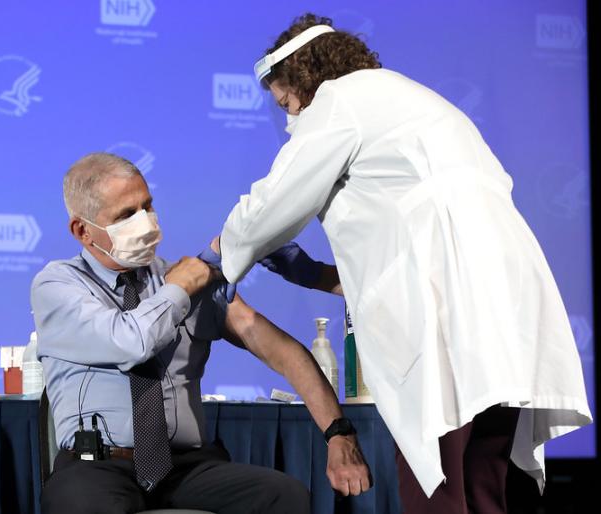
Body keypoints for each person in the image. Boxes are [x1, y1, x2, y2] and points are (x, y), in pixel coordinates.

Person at [211, 13, 592, 514]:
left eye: (286, 102)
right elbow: (402, 244)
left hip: (444, 306)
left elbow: (279, 196)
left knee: (435, 482)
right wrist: (315, 275)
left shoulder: (339, 100)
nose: (289, 119)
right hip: (509, 302)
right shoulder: (417, 102)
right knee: (485, 480)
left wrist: (222, 253)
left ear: (306, 78)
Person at [31, 152, 371, 514]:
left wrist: (339, 434)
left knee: (282, 495)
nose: (145, 222)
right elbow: (131, 342)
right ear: (82, 231)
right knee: (86, 505)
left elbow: (283, 353)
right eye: (126, 215)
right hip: (97, 466)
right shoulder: (59, 285)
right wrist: (179, 289)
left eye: (147, 206)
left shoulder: (186, 277)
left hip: (185, 467)